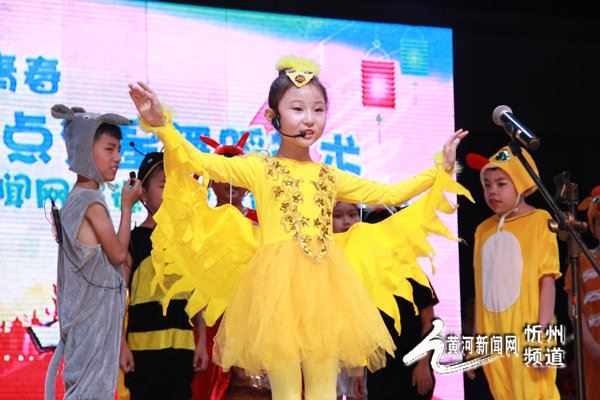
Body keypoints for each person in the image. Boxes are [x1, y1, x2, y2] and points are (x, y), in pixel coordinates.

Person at [128, 55, 471, 399]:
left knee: (323, 392)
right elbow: (197, 160)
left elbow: (391, 194)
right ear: (272, 117)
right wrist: (162, 125)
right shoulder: (259, 168)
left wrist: (439, 170)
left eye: (318, 110)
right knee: (287, 394)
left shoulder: (329, 176)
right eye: (297, 109)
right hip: (275, 290)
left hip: (325, 287)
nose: (309, 119)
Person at [45, 104, 140, 400]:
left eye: (118, 150)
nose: (117, 158)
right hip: (93, 322)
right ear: (86, 150)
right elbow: (118, 255)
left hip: (87, 321)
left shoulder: (76, 198)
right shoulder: (91, 202)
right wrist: (127, 206)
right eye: (109, 149)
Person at [467, 147, 561, 399]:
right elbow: (482, 289)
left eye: (501, 184)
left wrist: (540, 340)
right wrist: (476, 341)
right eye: (487, 185)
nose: (492, 191)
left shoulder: (540, 220)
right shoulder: (482, 230)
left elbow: (547, 281)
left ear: (519, 183)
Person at [119, 151, 209, 400]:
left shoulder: (187, 239)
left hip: (181, 349)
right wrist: (121, 345)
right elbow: (118, 298)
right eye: (162, 185)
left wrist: (201, 341)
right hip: (142, 352)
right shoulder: (134, 240)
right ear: (143, 194)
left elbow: (197, 295)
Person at [362, 207, 437, 400]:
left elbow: (429, 323)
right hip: (380, 374)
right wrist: (358, 374)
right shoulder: (364, 279)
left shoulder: (414, 274)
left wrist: (423, 364)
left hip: (413, 371)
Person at [564, 185, 600, 400]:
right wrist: (590, 344)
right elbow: (574, 307)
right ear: (593, 227)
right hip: (593, 350)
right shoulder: (582, 261)